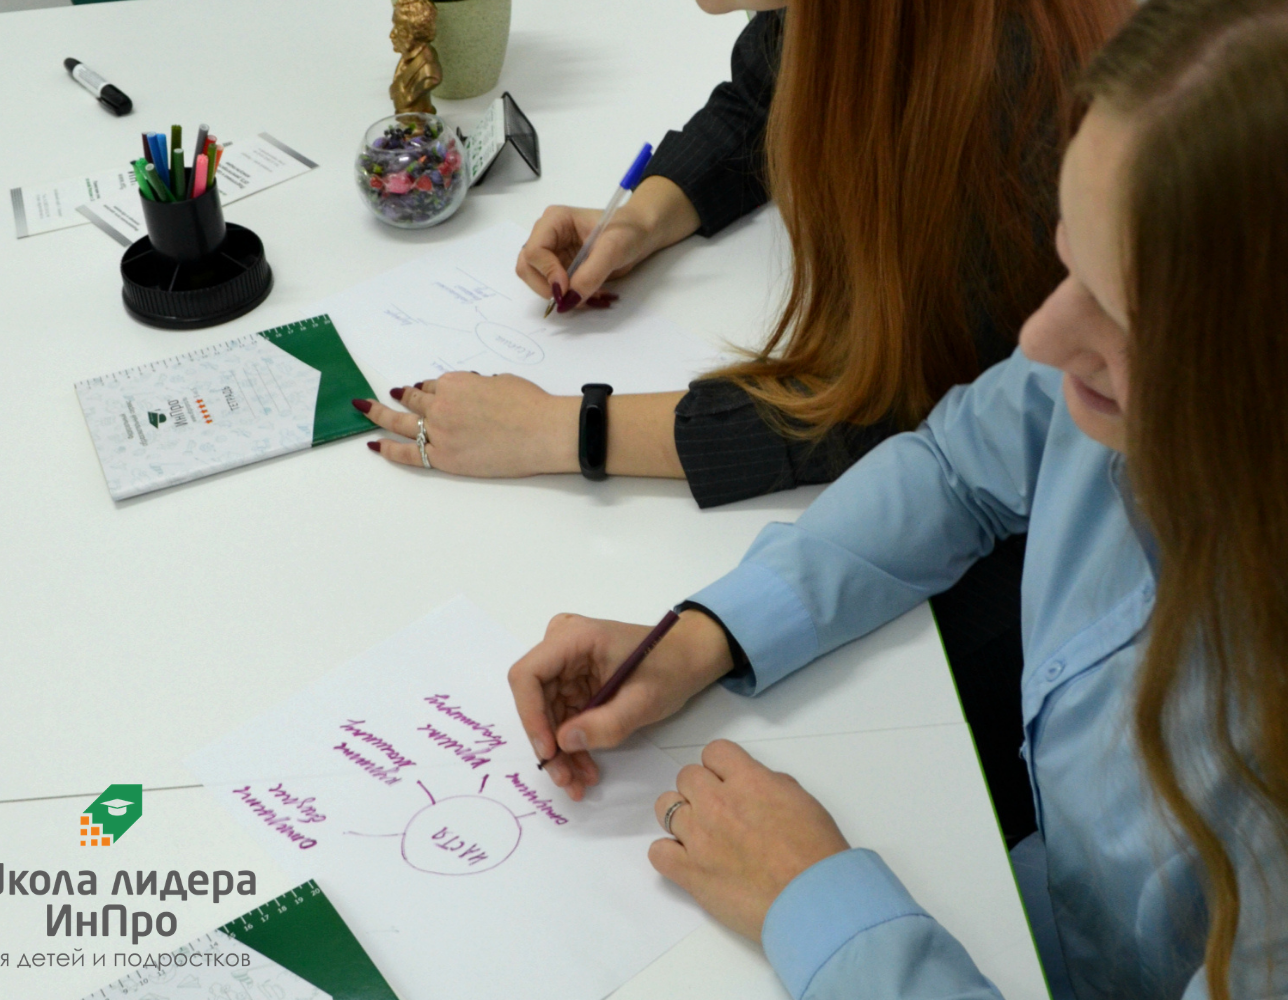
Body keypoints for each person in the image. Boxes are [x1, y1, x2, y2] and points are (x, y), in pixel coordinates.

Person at [503, 0, 1288, 996]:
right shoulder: (1130, 387)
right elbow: (955, 463)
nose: (1039, 339)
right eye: (1069, 261)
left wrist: (822, 909)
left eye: (1125, 314)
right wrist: (708, 636)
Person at [353, 0, 1129, 848]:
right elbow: (773, 89)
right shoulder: (868, 24)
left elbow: (898, 404)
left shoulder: (1014, 94)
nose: (1042, 340)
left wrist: (571, 430)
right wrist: (650, 212)